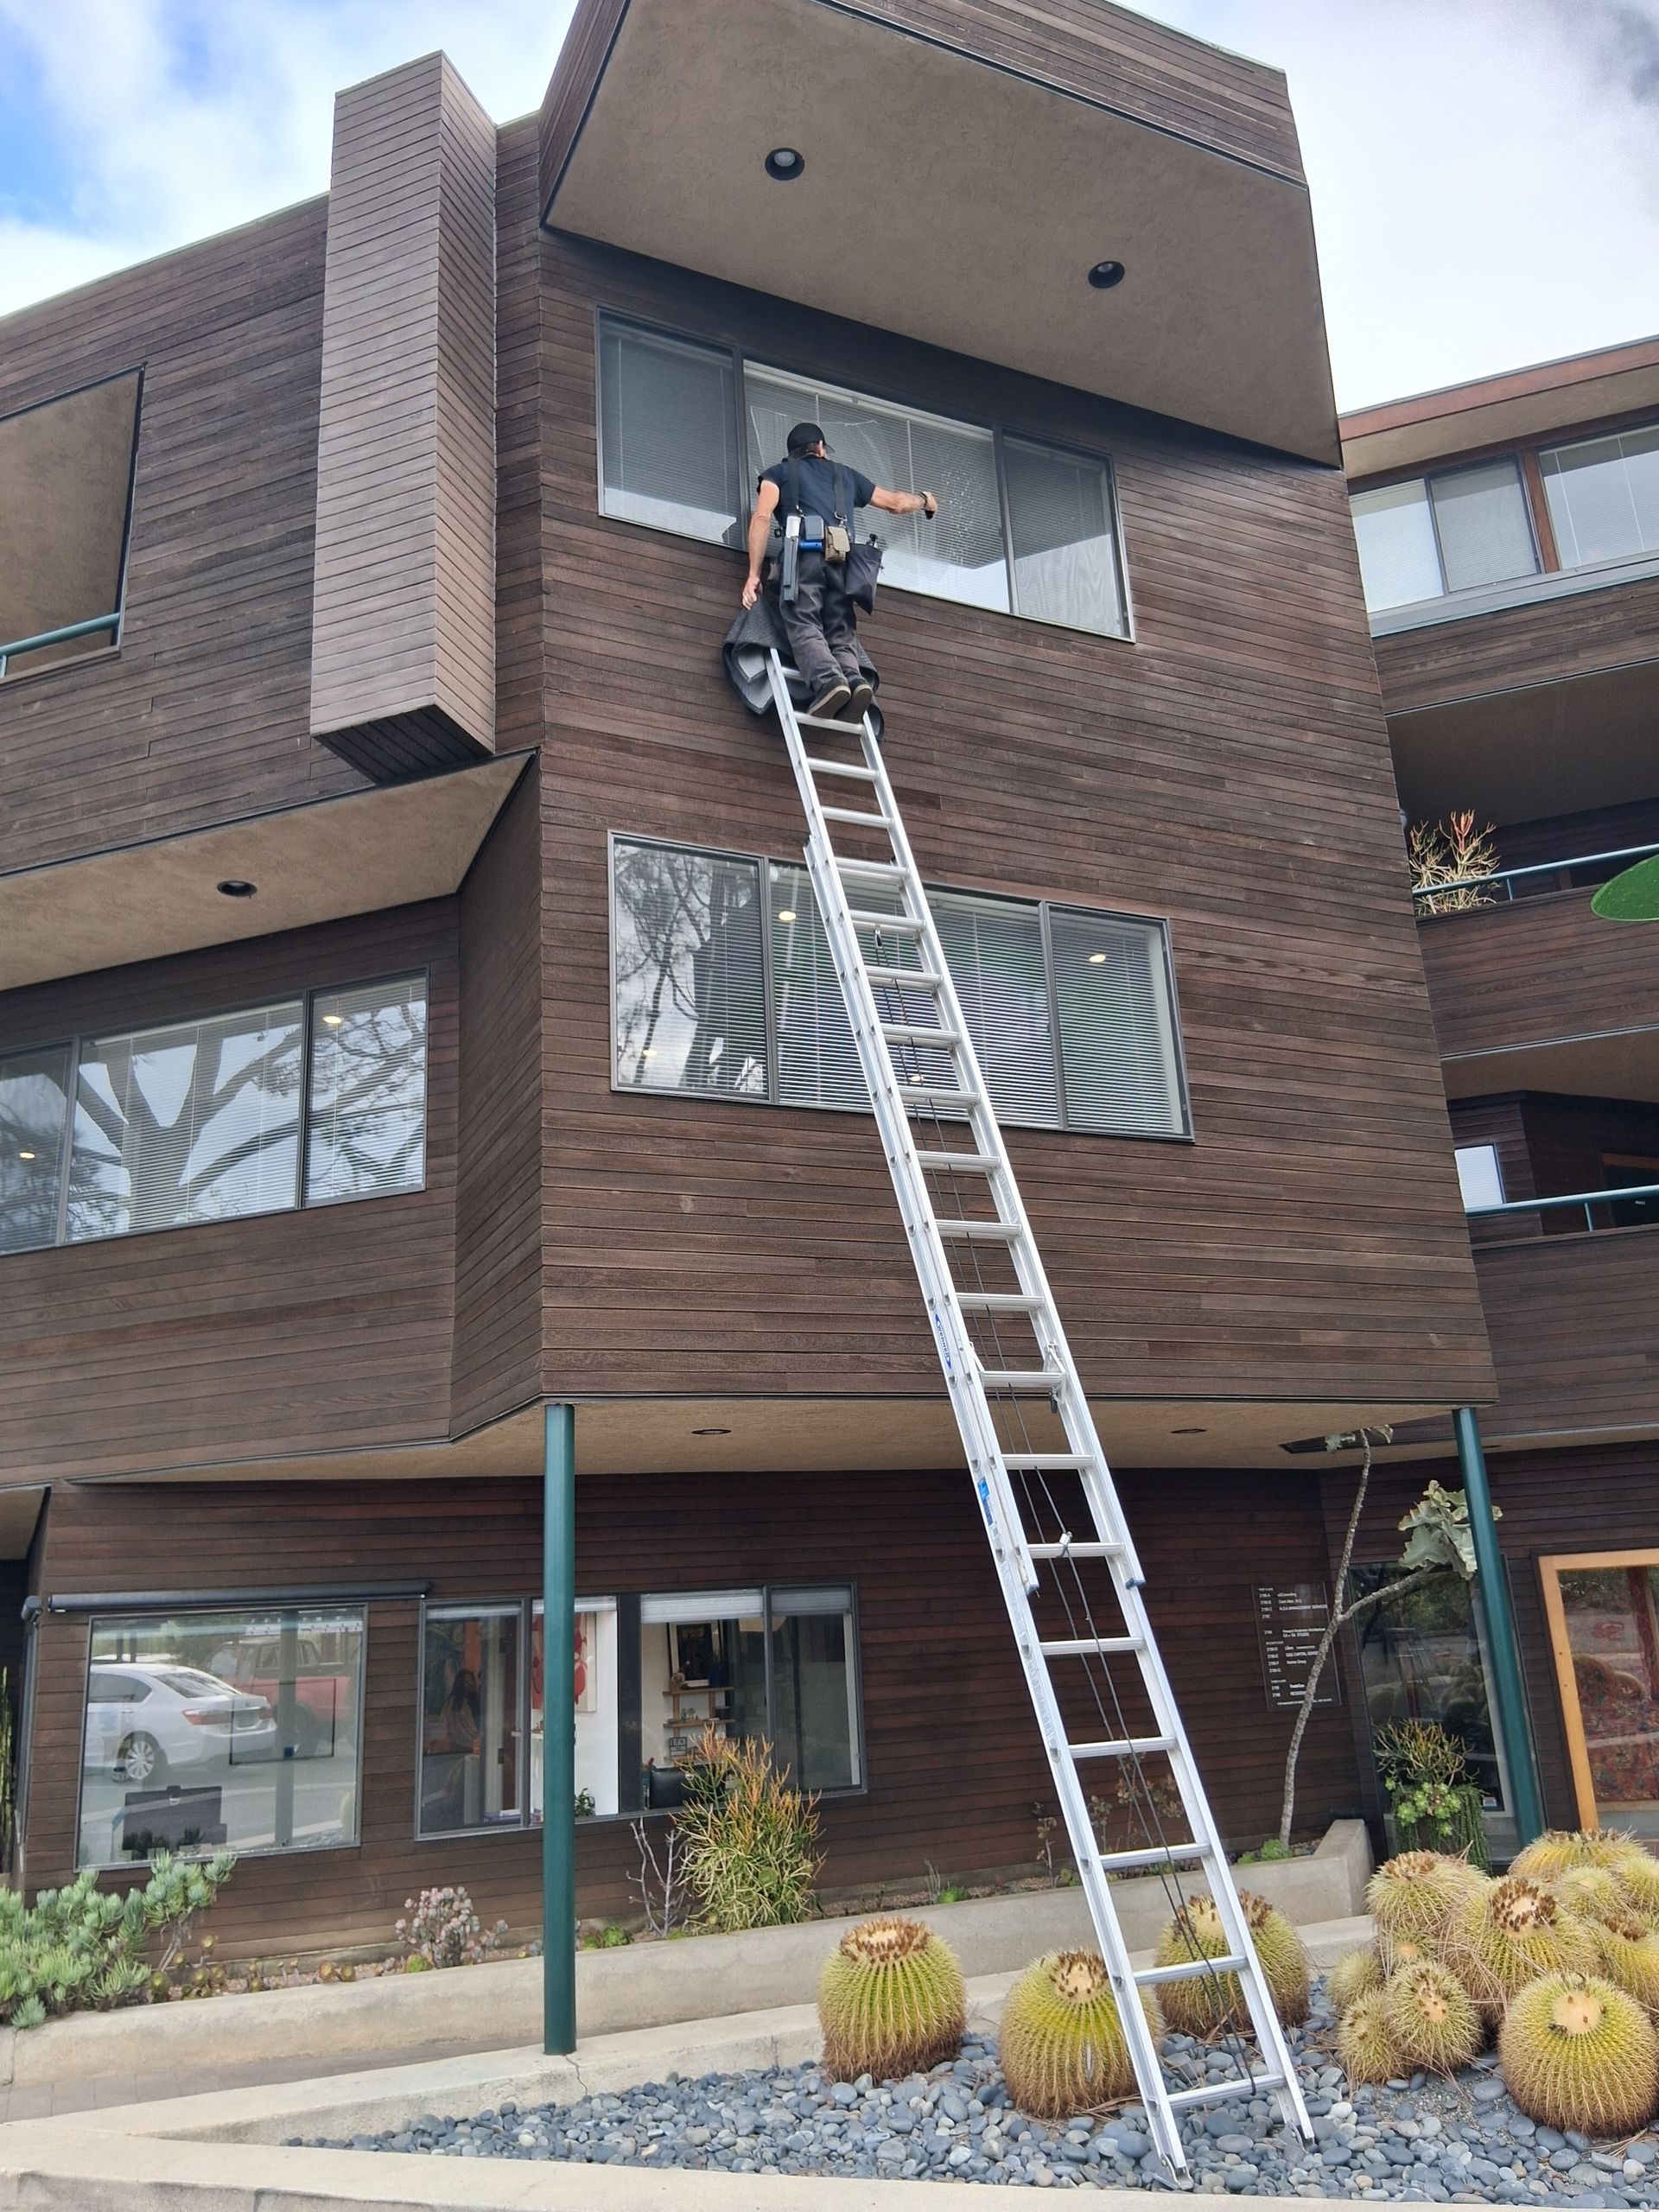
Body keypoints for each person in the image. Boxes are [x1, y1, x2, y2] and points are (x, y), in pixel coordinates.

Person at [742, 423, 939, 720]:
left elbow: (761, 518)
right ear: (820, 448)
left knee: (803, 620)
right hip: (842, 559)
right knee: (840, 628)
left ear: (792, 454)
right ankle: (855, 680)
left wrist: (753, 575)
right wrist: (925, 500)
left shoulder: (777, 475)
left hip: (804, 556)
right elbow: (895, 503)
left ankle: (829, 682)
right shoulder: (845, 475)